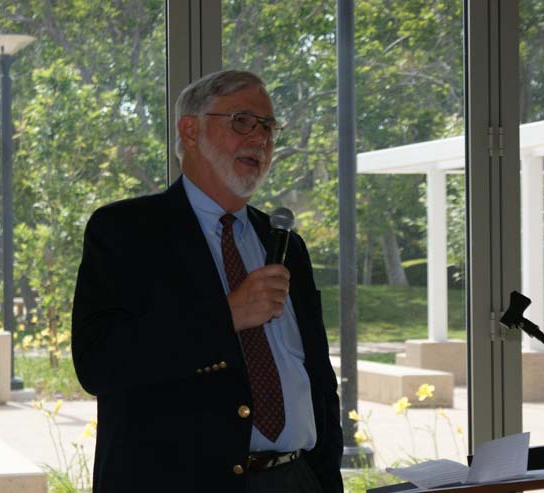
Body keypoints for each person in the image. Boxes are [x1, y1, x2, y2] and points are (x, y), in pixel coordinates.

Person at [72, 69, 343, 493]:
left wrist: (323, 477)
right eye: (242, 121)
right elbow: (99, 364)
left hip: (297, 480)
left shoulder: (286, 245)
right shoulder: (126, 231)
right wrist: (226, 316)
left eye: (269, 127)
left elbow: (318, 380)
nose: (260, 139)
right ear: (190, 129)